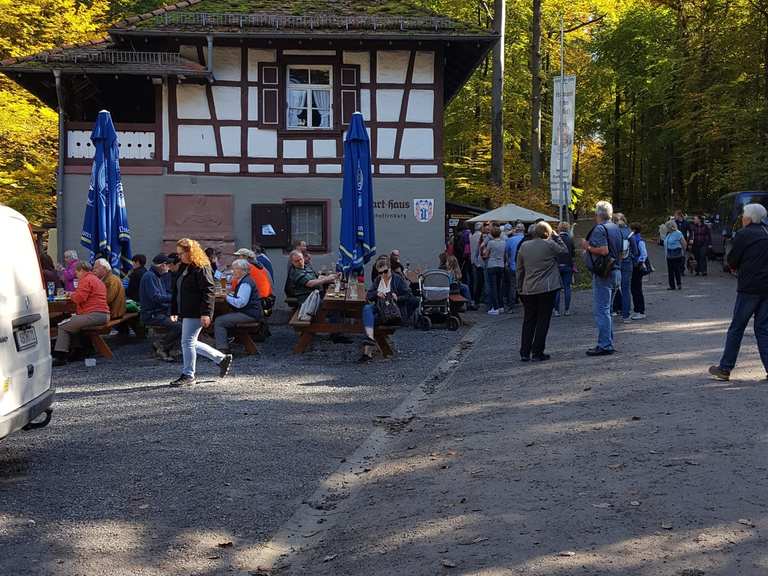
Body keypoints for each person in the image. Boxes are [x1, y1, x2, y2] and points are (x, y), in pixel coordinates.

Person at [709, 203, 768, 381]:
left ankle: (725, 368)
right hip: (766, 287)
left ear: (748, 218)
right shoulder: (767, 232)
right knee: (763, 329)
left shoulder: (744, 234)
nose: (742, 218)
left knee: (737, 328)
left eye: (743, 215)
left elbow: (732, 260)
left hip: (749, 287)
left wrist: (733, 266)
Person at [170, 238, 232, 387]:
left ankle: (188, 375)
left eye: (181, 253)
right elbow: (176, 289)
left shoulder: (201, 267)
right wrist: (174, 310)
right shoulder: (184, 266)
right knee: (190, 342)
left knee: (187, 342)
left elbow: (209, 291)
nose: (179, 256)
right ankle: (221, 358)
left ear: (191, 252)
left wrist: (206, 313)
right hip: (187, 310)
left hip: (196, 311)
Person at [516, 221, 567, 361]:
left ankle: (524, 352)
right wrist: (557, 237)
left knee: (528, 320)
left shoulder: (524, 246)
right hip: (547, 287)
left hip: (528, 288)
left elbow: (520, 269)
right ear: (547, 232)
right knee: (543, 320)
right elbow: (564, 250)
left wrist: (519, 287)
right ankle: (538, 351)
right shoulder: (549, 244)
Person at [582, 200, 623, 356]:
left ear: (597, 214)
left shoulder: (600, 229)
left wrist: (587, 247)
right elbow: (620, 251)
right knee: (607, 310)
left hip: (604, 273)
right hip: (616, 271)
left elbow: (604, 250)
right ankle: (608, 342)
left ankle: (605, 345)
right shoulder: (616, 227)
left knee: (602, 310)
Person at [53, 262, 110, 366]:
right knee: (74, 324)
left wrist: (71, 295)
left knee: (63, 325)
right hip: (102, 314)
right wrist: (74, 294)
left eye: (77, 272)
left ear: (82, 270)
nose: (76, 274)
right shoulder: (96, 280)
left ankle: (60, 356)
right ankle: (78, 352)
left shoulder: (85, 280)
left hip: (94, 315)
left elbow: (79, 298)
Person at [360, 255, 413, 362]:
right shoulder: (378, 280)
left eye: (385, 271)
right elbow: (369, 295)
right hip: (380, 307)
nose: (383, 274)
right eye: (380, 272)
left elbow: (409, 296)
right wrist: (377, 293)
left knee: (370, 320)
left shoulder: (397, 279)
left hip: (392, 311)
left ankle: (367, 351)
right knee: (366, 309)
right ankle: (369, 342)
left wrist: (397, 297)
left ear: (390, 268)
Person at [214, 259, 263, 353]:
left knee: (219, 321)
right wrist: (230, 295)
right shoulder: (245, 280)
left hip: (249, 314)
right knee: (223, 315)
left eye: (235, 269)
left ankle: (222, 350)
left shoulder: (245, 283)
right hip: (251, 312)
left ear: (243, 270)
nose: (233, 271)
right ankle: (224, 342)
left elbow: (240, 303)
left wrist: (226, 296)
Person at [140, 254, 181, 362]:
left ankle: (172, 348)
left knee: (183, 320)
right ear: (163, 265)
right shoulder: (150, 276)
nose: (169, 267)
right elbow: (156, 297)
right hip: (152, 314)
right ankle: (161, 346)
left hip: (159, 311)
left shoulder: (156, 275)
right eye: (168, 265)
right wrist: (174, 299)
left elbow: (162, 295)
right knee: (178, 326)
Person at [611, 213, 633, 321]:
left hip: (613, 263)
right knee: (625, 289)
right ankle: (626, 315)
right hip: (627, 262)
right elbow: (635, 249)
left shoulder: (611, 232)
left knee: (611, 288)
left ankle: (610, 312)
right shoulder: (629, 232)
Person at [553, 221, 576, 317]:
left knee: (557, 288)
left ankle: (556, 310)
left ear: (559, 228)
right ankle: (567, 309)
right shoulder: (570, 240)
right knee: (567, 288)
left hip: (557, 266)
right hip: (568, 265)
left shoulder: (555, 240)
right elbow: (573, 255)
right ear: (567, 229)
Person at [483, 226, 506, 315]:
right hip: (501, 265)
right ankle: (501, 306)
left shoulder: (491, 243)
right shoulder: (504, 242)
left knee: (493, 287)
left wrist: (485, 252)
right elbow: (505, 255)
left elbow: (486, 254)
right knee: (499, 286)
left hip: (492, 265)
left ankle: (495, 307)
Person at [504, 223, 525, 312]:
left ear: (515, 230)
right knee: (524, 287)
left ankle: (511, 307)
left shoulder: (510, 240)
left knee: (512, 287)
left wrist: (508, 263)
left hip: (513, 266)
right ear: (524, 230)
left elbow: (506, 254)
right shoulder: (526, 240)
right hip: (525, 267)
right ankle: (526, 305)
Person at [629, 224, 648, 320]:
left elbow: (644, 254)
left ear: (634, 230)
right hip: (635, 266)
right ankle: (637, 310)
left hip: (637, 267)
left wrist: (639, 262)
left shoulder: (639, 240)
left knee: (637, 289)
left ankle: (640, 310)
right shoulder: (635, 239)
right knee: (634, 289)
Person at [663, 220, 686, 290]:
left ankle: (679, 284)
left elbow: (684, 243)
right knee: (670, 271)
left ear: (670, 227)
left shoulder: (678, 233)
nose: (666, 228)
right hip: (669, 255)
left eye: (666, 227)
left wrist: (683, 252)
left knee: (676, 270)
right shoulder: (668, 234)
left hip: (676, 254)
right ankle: (672, 285)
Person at [469, 223, 484, 306]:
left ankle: (473, 298)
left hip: (472, 260)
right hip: (479, 261)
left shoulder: (472, 236)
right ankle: (477, 298)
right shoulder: (480, 236)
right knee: (479, 281)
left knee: (474, 280)